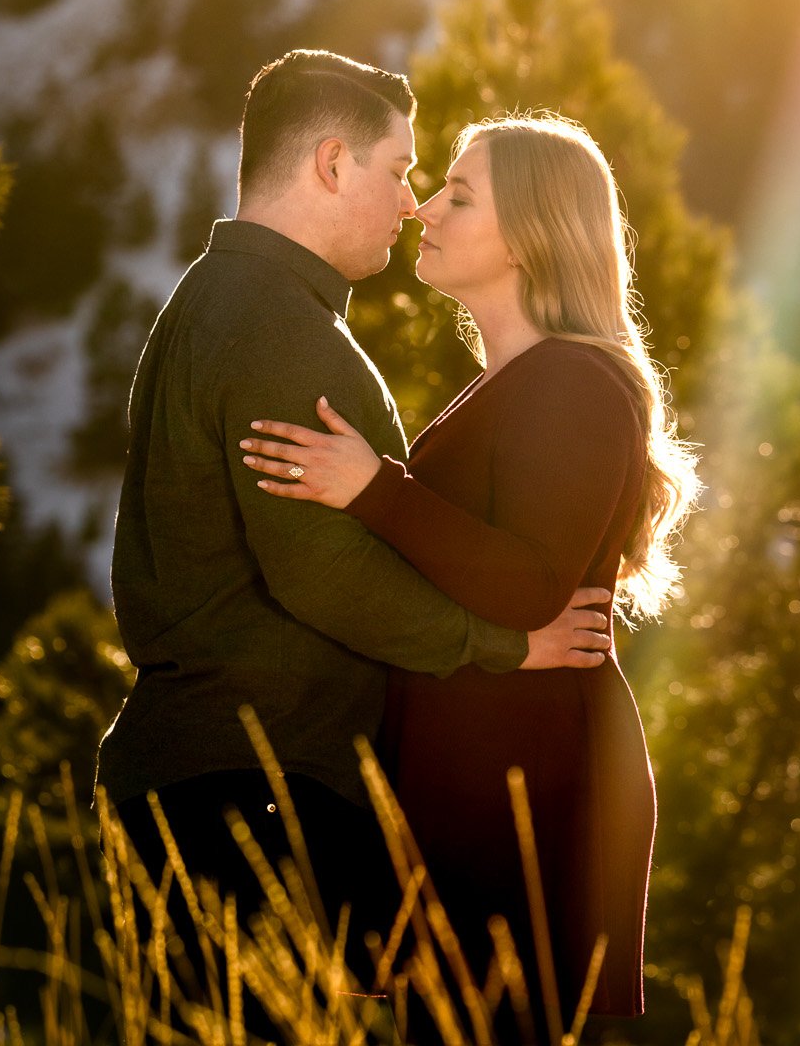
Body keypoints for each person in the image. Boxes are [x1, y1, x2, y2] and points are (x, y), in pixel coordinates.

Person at [96, 53, 611, 959]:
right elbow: (323, 571)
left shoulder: (224, 302)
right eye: (401, 172)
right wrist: (504, 645)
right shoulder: (277, 328)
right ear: (332, 165)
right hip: (250, 781)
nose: (412, 203)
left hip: (218, 773)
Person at [240, 112, 699, 1022]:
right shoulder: (517, 382)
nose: (421, 210)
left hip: (528, 776)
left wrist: (376, 488)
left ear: (531, 232)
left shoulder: (570, 382)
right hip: (483, 761)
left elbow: (527, 586)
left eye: (458, 193)